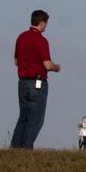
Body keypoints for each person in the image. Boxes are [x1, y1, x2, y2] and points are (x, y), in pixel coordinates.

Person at [10, 9, 61, 149]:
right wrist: (57, 67)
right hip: (37, 83)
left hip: (22, 82)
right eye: (46, 23)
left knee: (23, 117)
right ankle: (26, 147)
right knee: (36, 119)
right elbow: (47, 65)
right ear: (42, 22)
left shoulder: (21, 37)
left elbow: (16, 61)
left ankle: (15, 147)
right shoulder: (41, 40)